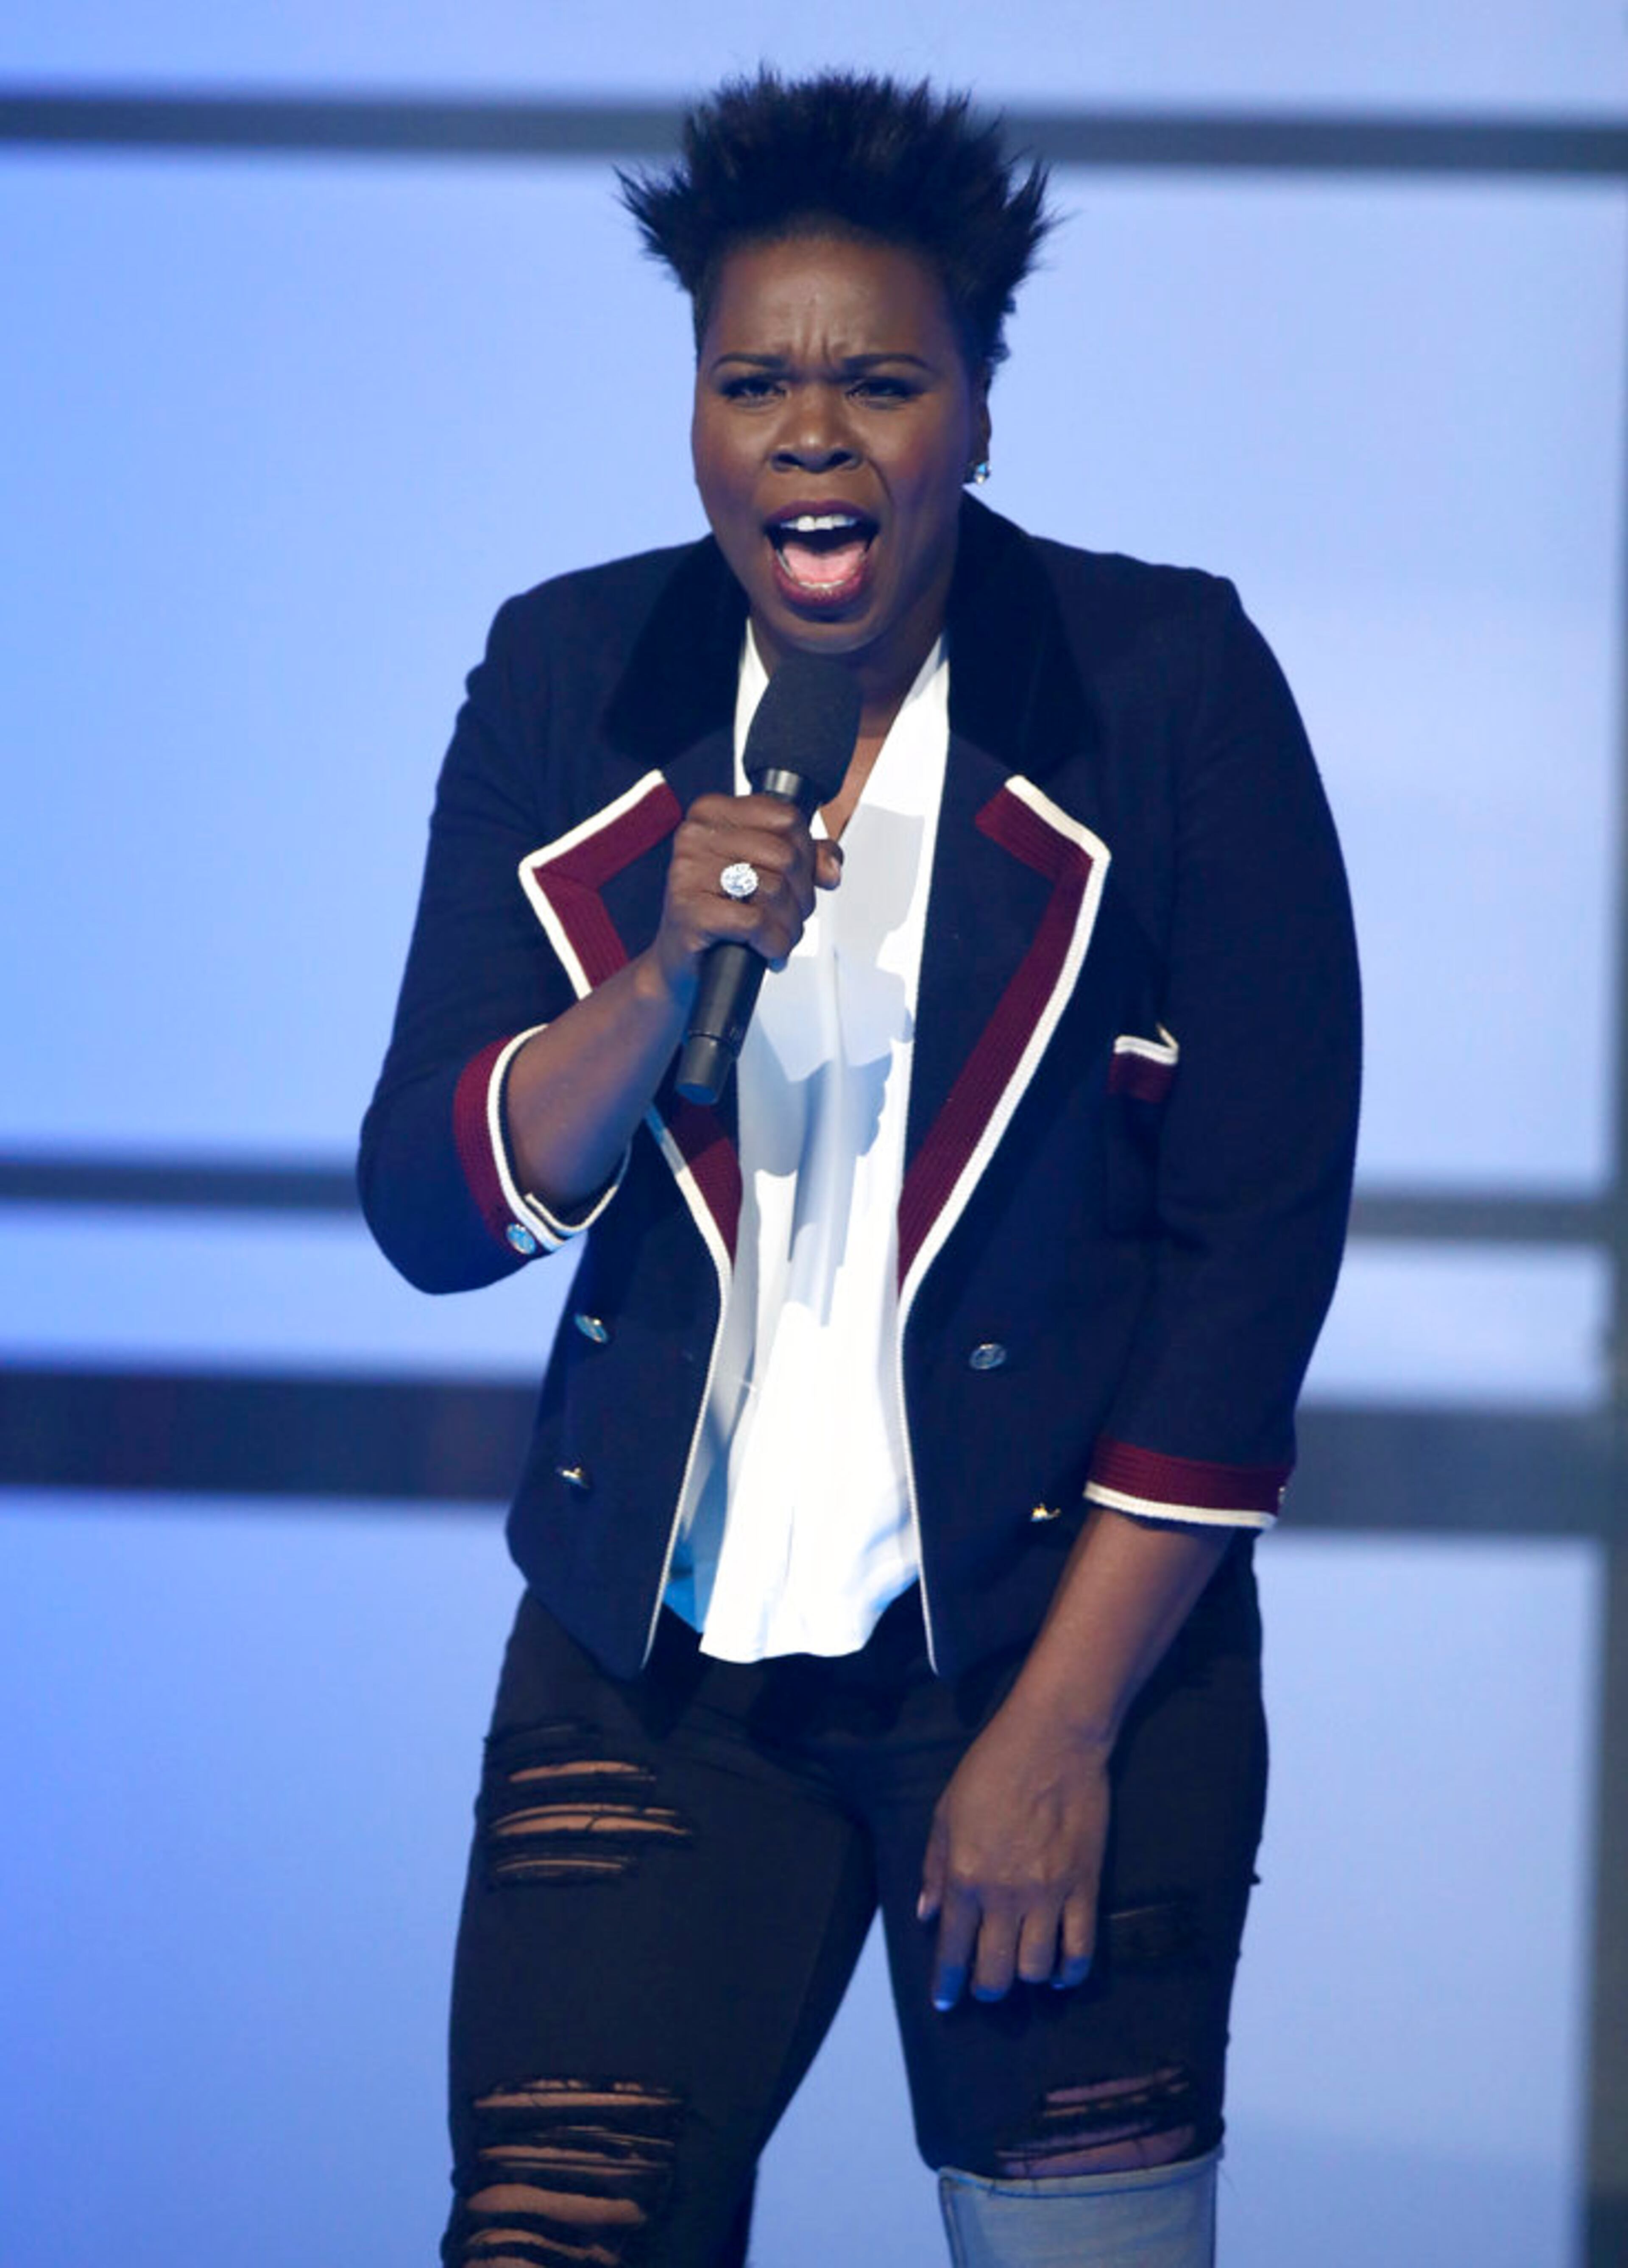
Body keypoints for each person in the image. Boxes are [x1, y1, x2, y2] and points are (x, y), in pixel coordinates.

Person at [360, 68, 1360, 2268]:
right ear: (700, 412)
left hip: (1054, 1654)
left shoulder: (1159, 684)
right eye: (755, 380)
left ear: (976, 414)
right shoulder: (573, 673)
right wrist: (652, 978)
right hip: (652, 1657)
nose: (811, 429)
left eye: (879, 377)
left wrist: (1062, 1719)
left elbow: (1256, 1243)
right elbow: (431, 1197)